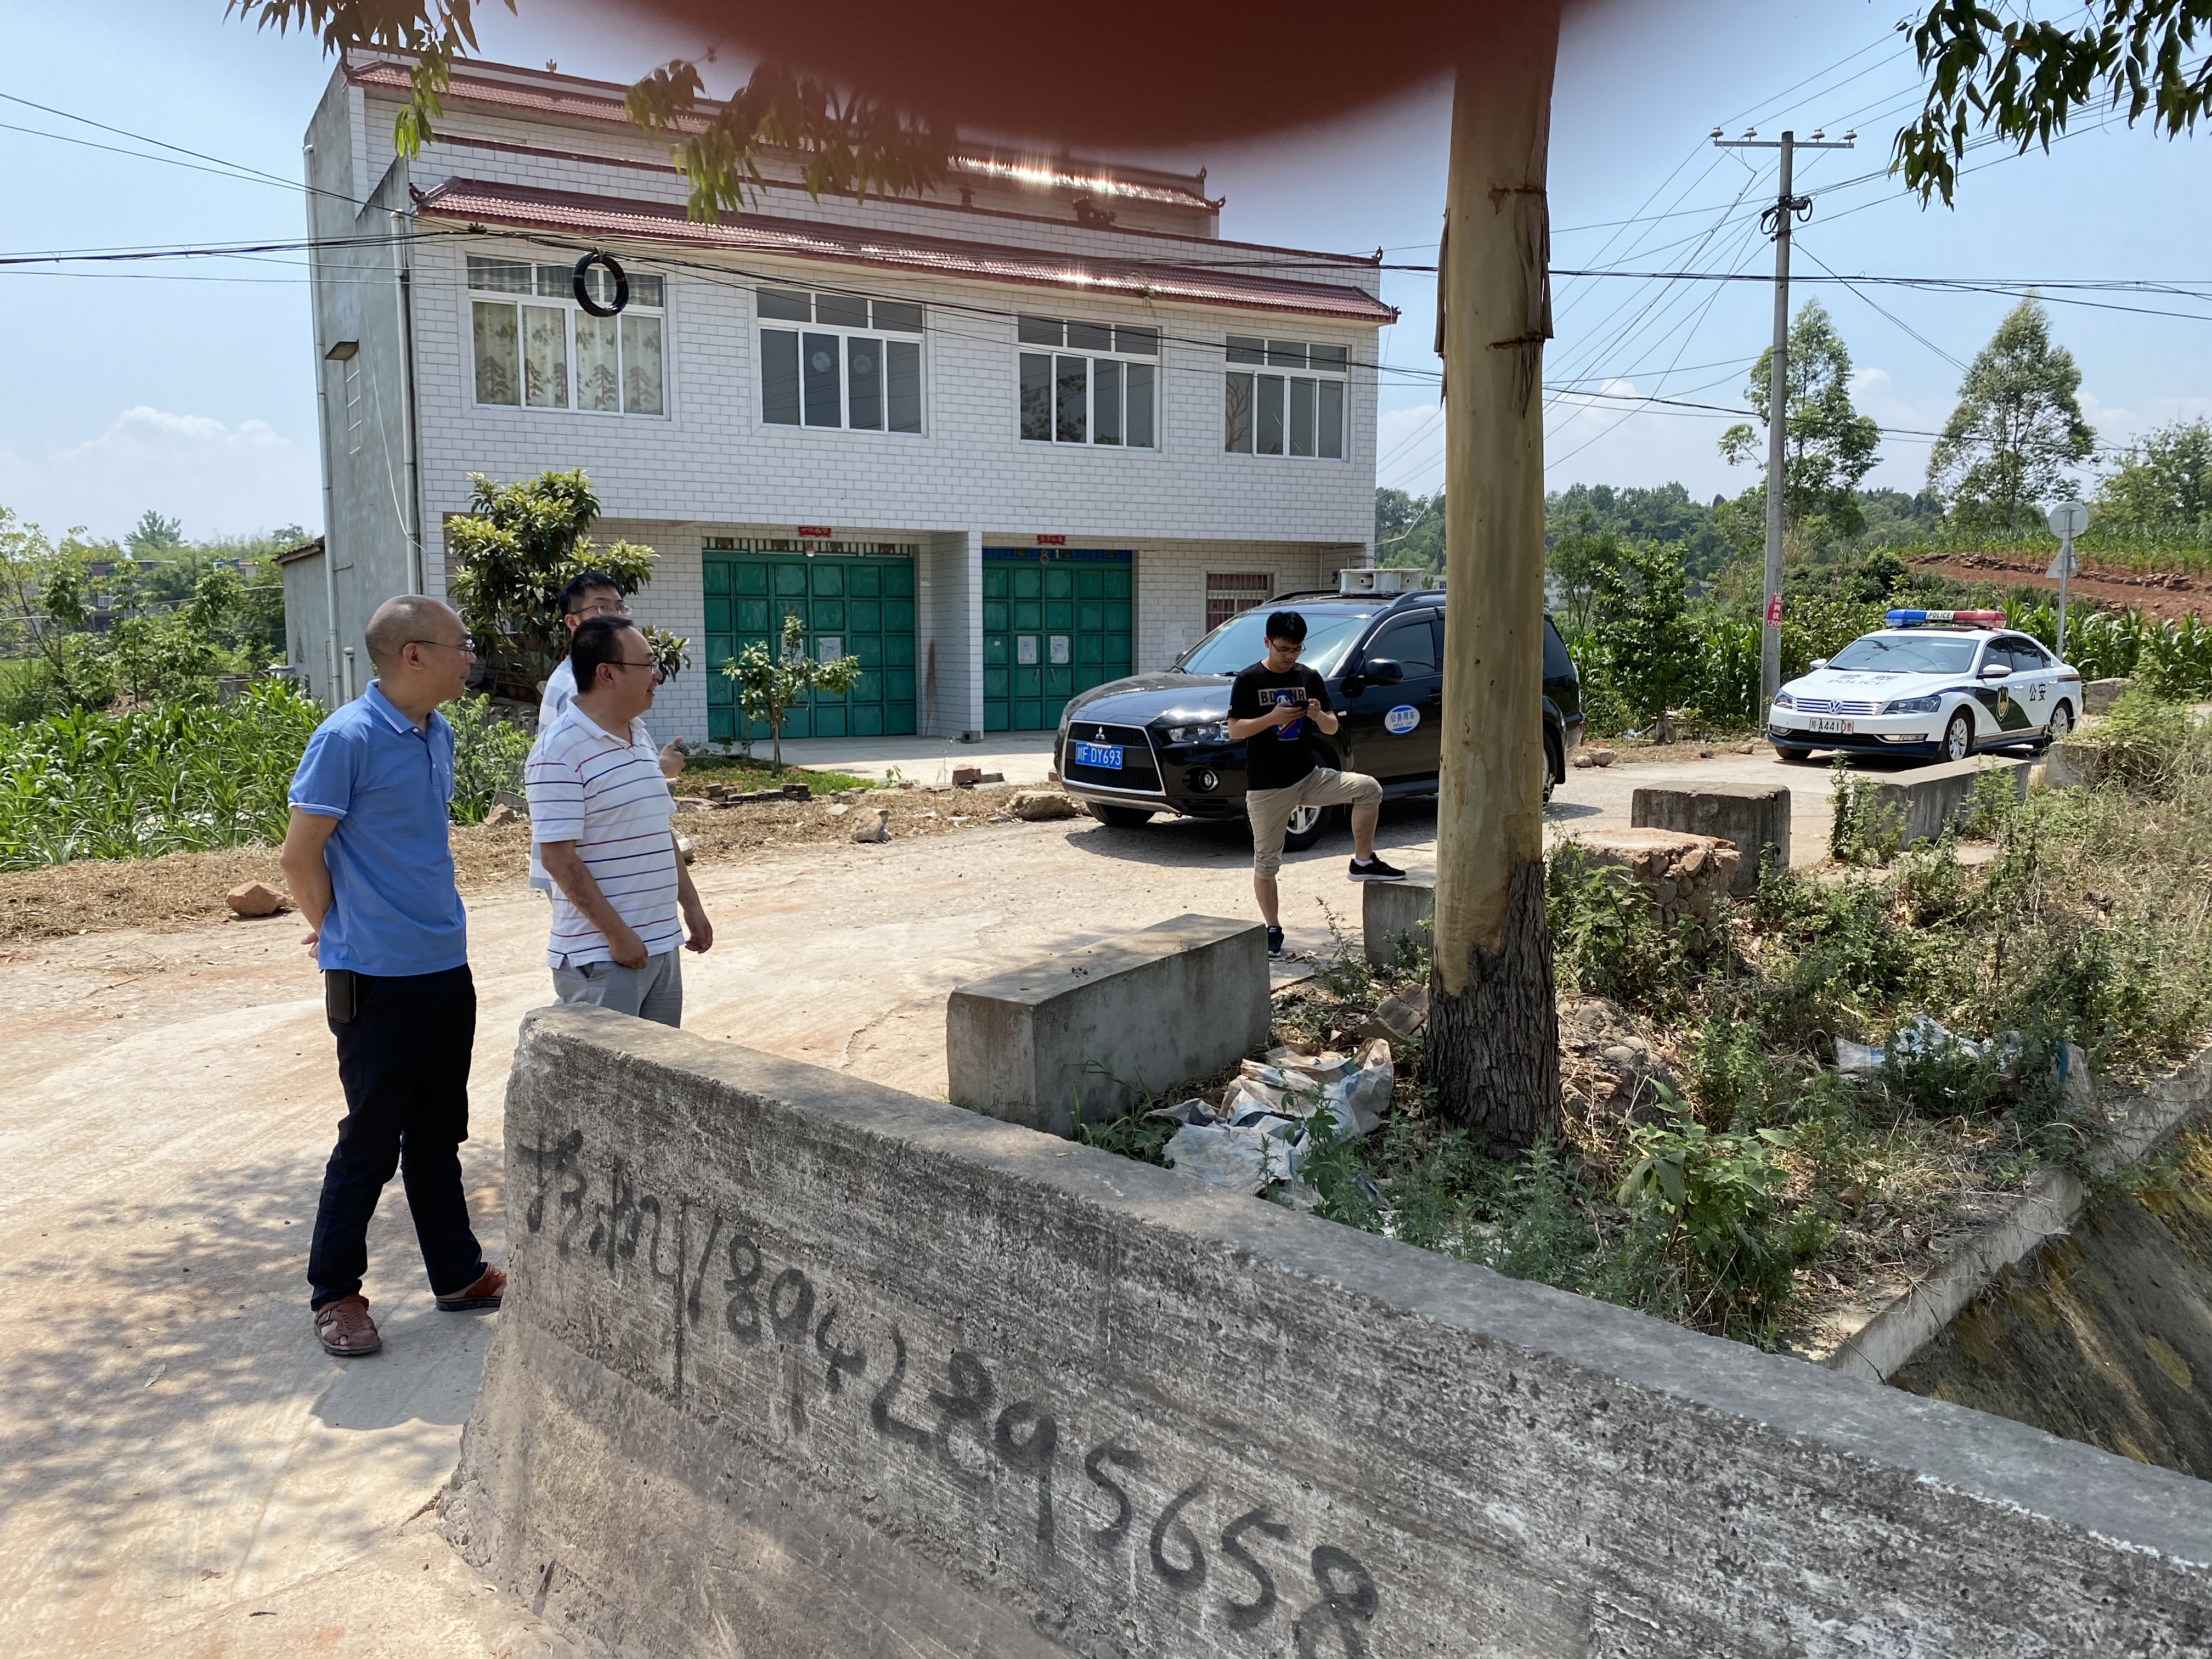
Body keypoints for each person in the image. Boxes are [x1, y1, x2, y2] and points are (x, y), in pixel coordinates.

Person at [281, 595, 504, 1359]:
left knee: (438, 1133)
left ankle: (458, 1273)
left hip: (444, 964)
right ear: (414, 654)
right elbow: (299, 854)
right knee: (372, 1142)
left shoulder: (438, 731)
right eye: (460, 645)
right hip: (376, 978)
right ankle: (335, 1293)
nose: (470, 657)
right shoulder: (346, 737)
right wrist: (337, 927)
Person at [527, 614, 714, 1024]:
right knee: (603, 1067)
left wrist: (692, 906)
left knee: (658, 1063)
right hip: (603, 957)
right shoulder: (558, 751)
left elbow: (658, 832)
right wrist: (617, 935)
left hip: (659, 944)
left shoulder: (639, 735)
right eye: (647, 665)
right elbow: (558, 859)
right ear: (607, 674)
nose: (657, 675)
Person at [1226, 609, 1404, 959]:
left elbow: (1332, 727)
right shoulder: (1249, 679)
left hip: (1309, 776)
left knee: (1369, 788)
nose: (1290, 656)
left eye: (1296, 650)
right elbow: (1234, 730)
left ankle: (1363, 862)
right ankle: (1273, 928)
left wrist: (1317, 714)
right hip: (1268, 787)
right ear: (1267, 642)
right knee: (1267, 862)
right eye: (1283, 649)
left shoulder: (1309, 676)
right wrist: (1272, 718)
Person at [531, 573, 684, 895]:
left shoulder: (631, 725)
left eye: (619, 606)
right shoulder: (577, 689)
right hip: (594, 871)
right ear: (572, 622)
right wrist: (658, 768)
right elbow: (585, 772)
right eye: (602, 608)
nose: (615, 615)